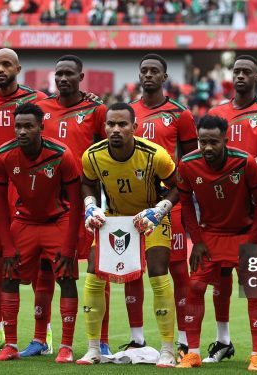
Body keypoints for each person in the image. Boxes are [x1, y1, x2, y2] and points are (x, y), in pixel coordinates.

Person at [77, 102, 179, 367]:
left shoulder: (155, 154)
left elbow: (179, 186)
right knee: (93, 273)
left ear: (135, 127)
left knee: (158, 272)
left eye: (122, 124)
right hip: (114, 218)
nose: (116, 129)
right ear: (104, 127)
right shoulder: (92, 155)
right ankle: (92, 349)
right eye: (111, 124)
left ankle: (168, 349)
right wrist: (90, 207)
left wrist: (159, 210)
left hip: (150, 217)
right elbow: (87, 182)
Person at [19, 55, 105, 361]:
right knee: (46, 268)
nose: (63, 78)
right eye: (59, 74)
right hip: (49, 199)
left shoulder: (96, 109)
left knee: (97, 268)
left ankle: (101, 340)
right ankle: (41, 338)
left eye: (69, 74)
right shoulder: (42, 108)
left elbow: (109, 150)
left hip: (87, 199)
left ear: (81, 77)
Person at [175, 115, 257, 371]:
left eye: (213, 142)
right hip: (210, 236)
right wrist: (197, 240)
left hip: (243, 234)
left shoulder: (245, 162)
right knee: (195, 287)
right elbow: (184, 204)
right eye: (202, 141)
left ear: (225, 140)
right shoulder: (187, 164)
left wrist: (252, 242)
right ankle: (192, 353)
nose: (207, 148)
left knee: (255, 290)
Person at [0, 48, 48, 351]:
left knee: (42, 262)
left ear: (18, 68)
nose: (0, 69)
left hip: (28, 186)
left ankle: (44, 332)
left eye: (6, 64)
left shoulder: (37, 100)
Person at [0, 103, 82, 362]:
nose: (22, 131)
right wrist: (7, 246)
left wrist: (69, 246)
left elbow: (75, 204)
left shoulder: (61, 154)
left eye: (29, 126)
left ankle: (66, 346)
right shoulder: (4, 155)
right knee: (8, 277)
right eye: (18, 126)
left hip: (58, 221)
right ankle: (10, 345)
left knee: (66, 278)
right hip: (25, 223)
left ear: (41, 127)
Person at [206, 54, 257, 365]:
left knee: (256, 280)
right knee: (219, 276)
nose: (240, 76)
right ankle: (223, 340)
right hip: (218, 206)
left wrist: (240, 171)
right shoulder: (216, 112)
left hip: (252, 206)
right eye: (236, 71)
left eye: (246, 72)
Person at [130, 53, 198, 357]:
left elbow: (191, 160)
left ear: (164, 77)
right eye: (143, 70)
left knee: (176, 270)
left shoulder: (180, 115)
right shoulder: (128, 113)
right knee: (131, 269)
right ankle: (137, 339)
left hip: (170, 204)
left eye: (154, 71)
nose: (148, 75)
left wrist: (179, 195)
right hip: (131, 203)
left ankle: (183, 340)